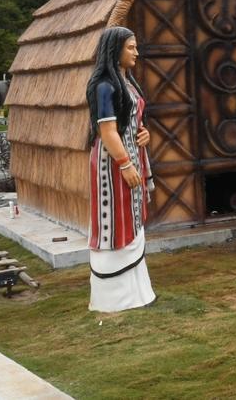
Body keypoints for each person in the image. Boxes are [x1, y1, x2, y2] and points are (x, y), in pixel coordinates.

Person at [86, 27, 156, 312]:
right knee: (114, 221)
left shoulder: (127, 84)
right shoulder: (105, 85)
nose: (136, 53)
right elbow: (107, 130)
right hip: (112, 164)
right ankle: (113, 297)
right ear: (115, 50)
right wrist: (125, 163)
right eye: (131, 47)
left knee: (132, 216)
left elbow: (132, 123)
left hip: (131, 157)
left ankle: (137, 292)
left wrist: (144, 135)